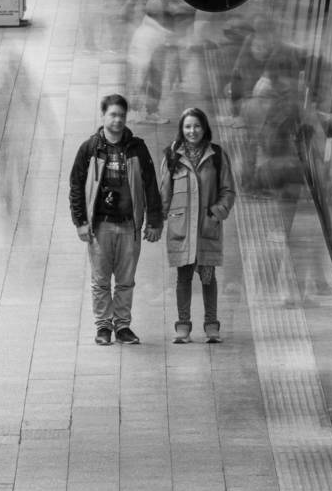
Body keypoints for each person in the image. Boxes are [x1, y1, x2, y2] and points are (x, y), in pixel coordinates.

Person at [69, 94, 163, 345]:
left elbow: (151, 185)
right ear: (103, 115)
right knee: (100, 280)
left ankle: (122, 325)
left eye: (121, 115)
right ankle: (103, 326)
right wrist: (80, 222)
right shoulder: (90, 148)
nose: (118, 120)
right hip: (100, 225)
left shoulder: (137, 148)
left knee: (125, 280)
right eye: (113, 114)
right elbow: (76, 185)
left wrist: (154, 221)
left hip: (129, 225)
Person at [151, 107, 236, 343]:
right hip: (181, 229)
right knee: (183, 277)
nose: (192, 131)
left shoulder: (216, 155)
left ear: (204, 128)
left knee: (208, 277)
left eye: (197, 126)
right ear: (181, 129)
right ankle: (183, 326)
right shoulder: (172, 156)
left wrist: (216, 213)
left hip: (207, 227)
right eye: (188, 126)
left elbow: (228, 190)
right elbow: (164, 193)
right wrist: (156, 222)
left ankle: (211, 325)